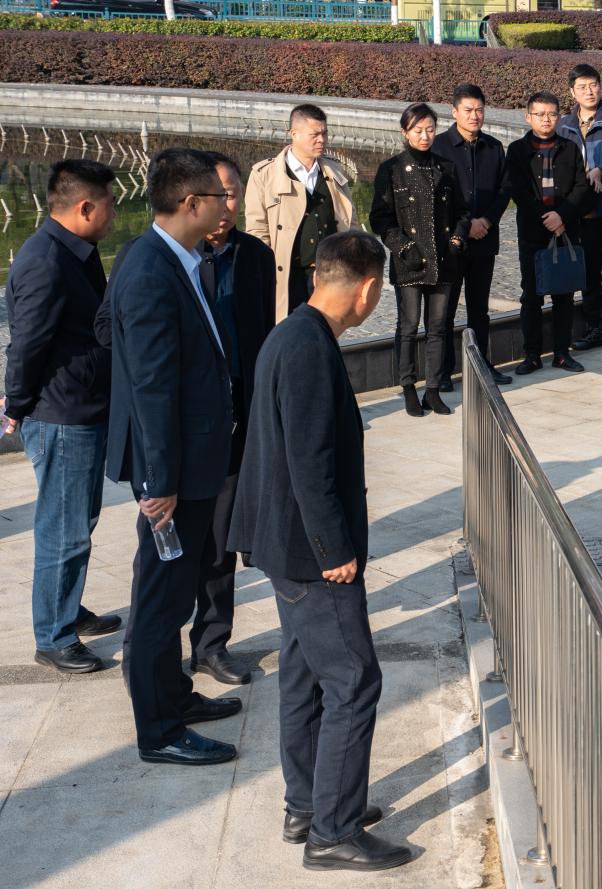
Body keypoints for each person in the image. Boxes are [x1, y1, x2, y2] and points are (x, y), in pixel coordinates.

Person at [228, 231, 409, 872]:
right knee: (354, 681)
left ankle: (308, 803)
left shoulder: (294, 333)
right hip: (311, 553)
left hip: (284, 544)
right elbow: (309, 462)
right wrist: (334, 549)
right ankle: (332, 833)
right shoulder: (307, 348)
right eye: (380, 289)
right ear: (366, 289)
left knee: (305, 676)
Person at [105, 148, 239, 765]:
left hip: (191, 463)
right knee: (160, 603)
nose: (224, 206)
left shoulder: (171, 258)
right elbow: (152, 385)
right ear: (191, 204)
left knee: (176, 593)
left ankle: (176, 696)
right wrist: (159, 482)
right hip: (173, 476)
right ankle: (158, 730)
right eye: (217, 196)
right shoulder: (151, 270)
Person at [3, 160, 120, 674]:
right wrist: (16, 406)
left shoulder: (77, 250)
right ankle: (53, 635)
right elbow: (25, 344)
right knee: (64, 529)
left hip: (83, 405)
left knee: (78, 521)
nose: (115, 217)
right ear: (85, 207)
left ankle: (67, 607)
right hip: (61, 414)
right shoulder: (45, 260)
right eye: (110, 207)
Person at [188, 151, 276, 686]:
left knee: (222, 535)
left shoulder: (256, 257)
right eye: (218, 194)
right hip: (190, 420)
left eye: (234, 194)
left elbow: (262, 334)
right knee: (181, 542)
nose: (226, 206)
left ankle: (211, 642)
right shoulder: (177, 258)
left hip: (239, 413)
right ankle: (161, 644)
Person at [370, 103, 469, 418]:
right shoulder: (391, 169)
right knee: (409, 326)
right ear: (405, 132)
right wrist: (402, 246)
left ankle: (435, 389)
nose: (425, 136)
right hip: (409, 260)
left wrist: (456, 239)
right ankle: (409, 387)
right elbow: (380, 218)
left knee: (438, 327)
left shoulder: (446, 167)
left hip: (444, 259)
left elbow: (463, 212)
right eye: (417, 130)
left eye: (429, 129)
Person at [505, 92, 595, 375]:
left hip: (566, 230)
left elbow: (581, 188)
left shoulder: (569, 148)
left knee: (564, 294)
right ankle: (532, 354)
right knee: (531, 296)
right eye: (540, 114)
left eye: (552, 114)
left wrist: (562, 216)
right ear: (528, 116)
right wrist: (546, 218)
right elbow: (518, 190)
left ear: (559, 116)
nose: (546, 119)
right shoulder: (518, 150)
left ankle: (561, 353)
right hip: (533, 232)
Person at [245, 104, 357, 321]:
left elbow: (350, 221)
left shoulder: (334, 172)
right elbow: (257, 230)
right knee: (288, 335)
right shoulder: (264, 175)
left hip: (328, 273)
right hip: (287, 276)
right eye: (314, 134)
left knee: (327, 332)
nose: (322, 140)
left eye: (324, 133)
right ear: (294, 134)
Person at [432, 84, 512, 388]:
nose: (474, 115)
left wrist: (487, 221)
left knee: (479, 308)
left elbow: (505, 190)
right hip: (452, 242)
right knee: (446, 307)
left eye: (479, 109)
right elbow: (437, 197)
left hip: (484, 240)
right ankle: (444, 370)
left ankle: (480, 366)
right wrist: (465, 226)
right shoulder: (438, 147)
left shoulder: (494, 147)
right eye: (468, 110)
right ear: (454, 112)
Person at [559, 64, 602, 356]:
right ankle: (592, 329)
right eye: (583, 87)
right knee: (588, 274)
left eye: (594, 85)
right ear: (572, 91)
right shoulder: (565, 125)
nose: (590, 91)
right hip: (582, 213)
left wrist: (601, 168)